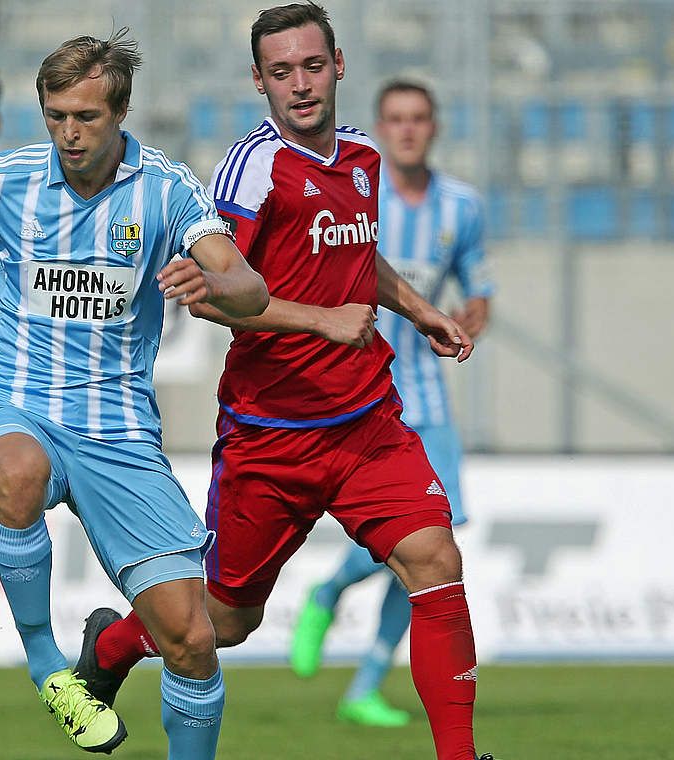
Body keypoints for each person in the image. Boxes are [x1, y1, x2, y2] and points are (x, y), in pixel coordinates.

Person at [0, 31, 268, 760]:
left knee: (192, 636)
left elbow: (248, 286)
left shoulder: (165, 189)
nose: (67, 132)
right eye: (55, 114)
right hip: (16, 406)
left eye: (85, 117)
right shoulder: (9, 179)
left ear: (120, 112)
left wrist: (216, 283)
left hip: (119, 434)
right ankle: (47, 665)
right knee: (18, 472)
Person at [75, 5, 492, 759]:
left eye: (311, 66)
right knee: (225, 624)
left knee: (436, 561)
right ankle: (111, 647)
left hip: (367, 421)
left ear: (339, 64)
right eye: (280, 72)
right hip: (273, 437)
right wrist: (321, 320)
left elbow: (358, 257)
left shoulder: (363, 157)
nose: (299, 85)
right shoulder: (252, 167)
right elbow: (225, 295)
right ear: (258, 82)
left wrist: (420, 308)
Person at [288, 78, 494, 728]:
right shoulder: (354, 199)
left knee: (436, 546)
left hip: (427, 403)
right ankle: (330, 590)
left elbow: (480, 285)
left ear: (434, 128)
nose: (407, 130)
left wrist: (468, 320)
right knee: (403, 544)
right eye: (396, 119)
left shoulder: (462, 206)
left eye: (419, 119)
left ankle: (366, 682)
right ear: (380, 126)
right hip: (362, 402)